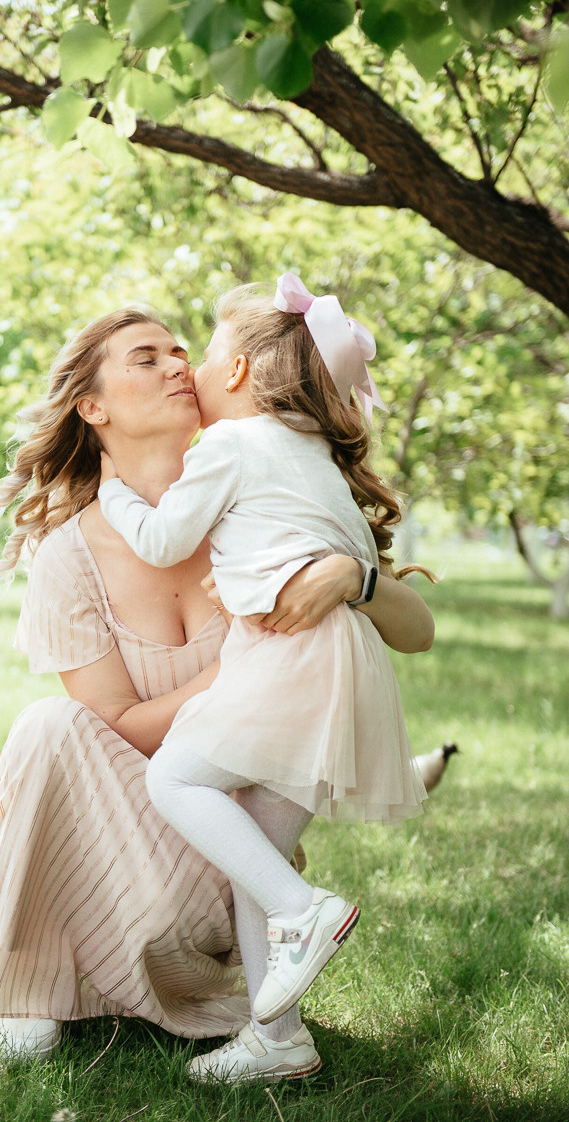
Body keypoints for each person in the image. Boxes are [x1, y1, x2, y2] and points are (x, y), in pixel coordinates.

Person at [0, 301, 434, 1083]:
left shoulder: (257, 497)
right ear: (94, 406)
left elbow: (416, 633)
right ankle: (36, 984)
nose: (178, 364)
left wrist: (356, 576)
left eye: (182, 351)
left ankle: (274, 1011)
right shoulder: (69, 554)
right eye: (147, 357)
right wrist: (242, 666)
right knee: (50, 725)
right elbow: (116, 726)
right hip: (135, 821)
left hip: (223, 847)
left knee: (243, 835)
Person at [97, 275, 432, 1063]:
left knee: (175, 779)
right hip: (345, 670)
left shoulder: (230, 444)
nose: (192, 371)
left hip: (287, 660)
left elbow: (160, 541)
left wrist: (115, 495)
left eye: (205, 356)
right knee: (256, 850)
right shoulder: (311, 454)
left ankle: (304, 910)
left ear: (240, 373)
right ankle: (274, 1038)